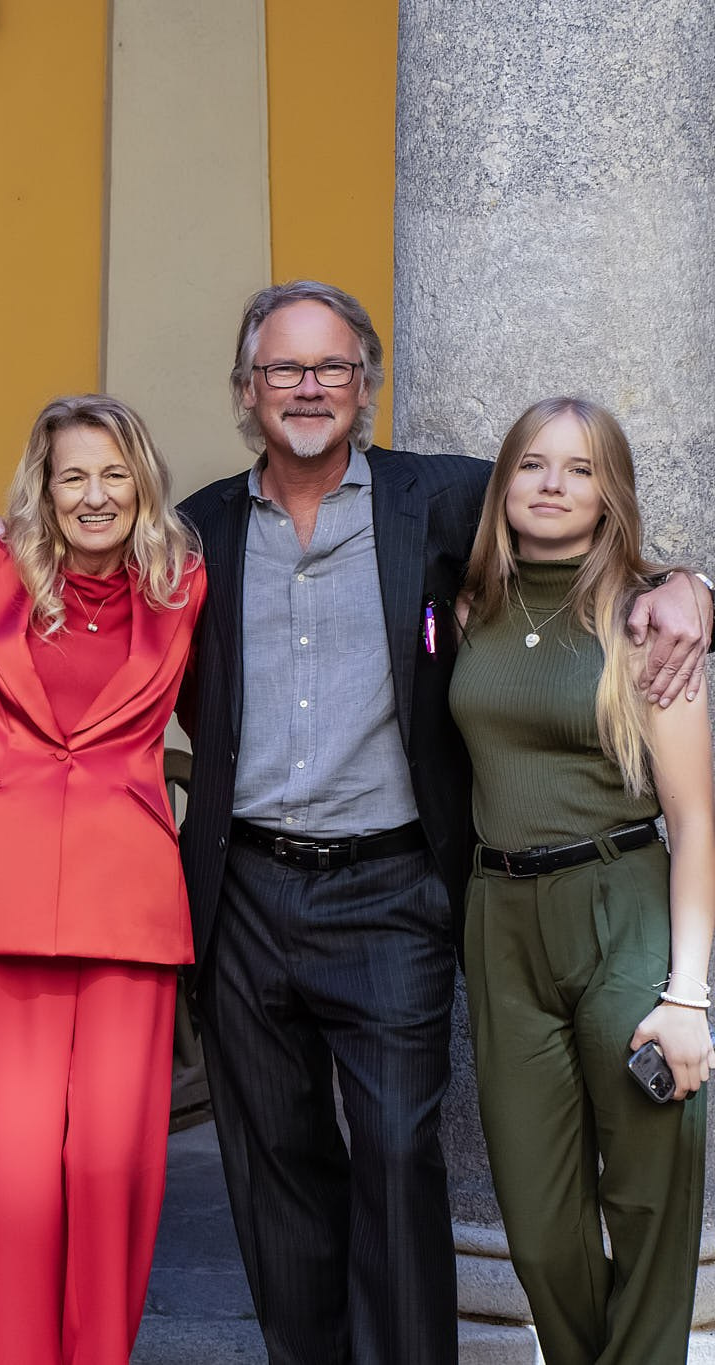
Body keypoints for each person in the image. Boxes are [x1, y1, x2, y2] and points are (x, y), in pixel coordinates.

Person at [176, 280, 711, 1365]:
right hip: (243, 890)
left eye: (331, 366)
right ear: (245, 391)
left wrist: (689, 586)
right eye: (282, 368)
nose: (308, 387)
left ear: (365, 383)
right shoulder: (194, 531)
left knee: (390, 1155)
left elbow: (584, 520)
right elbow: (72, 551)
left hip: (390, 890)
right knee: (270, 1165)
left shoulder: (436, 500)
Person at [449, 397, 712, 1365]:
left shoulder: (646, 620)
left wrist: (687, 994)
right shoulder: (468, 600)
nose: (550, 485)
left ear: (610, 494)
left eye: (578, 468)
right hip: (499, 920)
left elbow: (692, 821)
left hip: (620, 909)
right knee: (537, 1221)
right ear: (502, 482)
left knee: (647, 1195)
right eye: (530, 465)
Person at [0, 394, 205, 1364]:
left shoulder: (185, 586)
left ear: (139, 483)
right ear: (41, 488)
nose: (93, 496)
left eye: (112, 474)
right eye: (72, 476)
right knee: (8, 1179)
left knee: (111, 1174)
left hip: (127, 906)